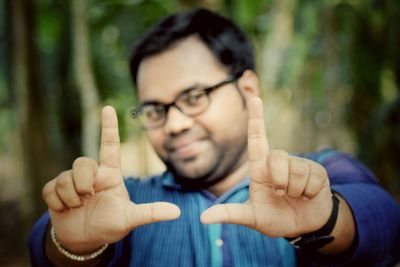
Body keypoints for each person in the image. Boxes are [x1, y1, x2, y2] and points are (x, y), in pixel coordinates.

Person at [29, 8, 400, 267]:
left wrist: (325, 221)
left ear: (248, 89)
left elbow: (384, 220)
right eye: (155, 109)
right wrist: (74, 245)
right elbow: (43, 246)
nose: (173, 125)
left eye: (193, 98)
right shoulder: (129, 203)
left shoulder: (319, 176)